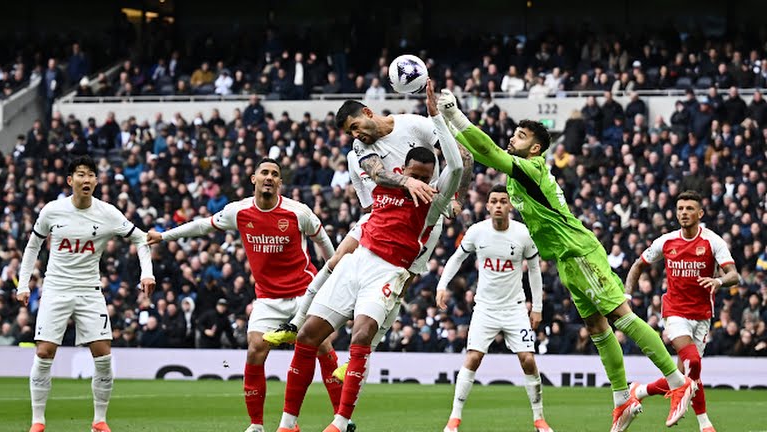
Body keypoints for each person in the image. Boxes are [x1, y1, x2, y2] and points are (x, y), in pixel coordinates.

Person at [436, 89, 696, 432]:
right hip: (565, 259)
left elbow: (487, 151)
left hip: (578, 250)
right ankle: (622, 399)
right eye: (514, 132)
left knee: (620, 316)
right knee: (597, 328)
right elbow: (478, 152)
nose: (513, 138)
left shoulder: (528, 168)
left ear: (535, 149)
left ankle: (678, 381)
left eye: (521, 135)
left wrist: (455, 115)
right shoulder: (519, 177)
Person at [275, 81, 463, 432]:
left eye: (426, 176)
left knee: (360, 336)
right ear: (403, 169)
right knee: (307, 336)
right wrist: (405, 182)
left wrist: (437, 116)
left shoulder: (435, 200)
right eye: (415, 174)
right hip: (358, 260)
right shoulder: (381, 172)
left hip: (388, 271)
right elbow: (377, 171)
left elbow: (455, 163)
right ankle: (288, 424)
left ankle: (341, 421)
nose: (421, 180)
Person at [263, 92, 473, 349]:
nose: (355, 135)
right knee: (337, 258)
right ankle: (295, 323)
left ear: (367, 112)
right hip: (383, 214)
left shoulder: (414, 125)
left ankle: (364, 352)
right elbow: (377, 175)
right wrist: (403, 187)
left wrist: (458, 199)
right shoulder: (361, 147)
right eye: (349, 132)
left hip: (424, 219)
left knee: (400, 288)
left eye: (355, 127)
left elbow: (463, 157)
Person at [147, 158, 338, 432]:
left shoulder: (298, 212)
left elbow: (322, 240)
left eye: (275, 174)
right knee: (254, 351)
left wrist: (334, 273)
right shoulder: (239, 212)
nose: (269, 177)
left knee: (322, 347)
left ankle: (341, 419)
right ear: (254, 178)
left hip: (302, 293)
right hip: (267, 299)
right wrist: (164, 236)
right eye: (265, 173)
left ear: (280, 182)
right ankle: (256, 425)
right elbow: (202, 226)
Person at [16, 155, 156, 432]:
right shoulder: (52, 211)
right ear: (70, 181)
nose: (87, 179)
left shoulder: (108, 213)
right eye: (81, 174)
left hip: (90, 290)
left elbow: (142, 238)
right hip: (56, 288)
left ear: (96, 180)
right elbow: (33, 247)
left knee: (103, 354)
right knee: (44, 352)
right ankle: (38, 421)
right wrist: (23, 284)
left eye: (91, 174)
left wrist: (147, 272)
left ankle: (99, 420)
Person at [436, 184, 554, 432]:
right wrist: (441, 285)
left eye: (503, 201)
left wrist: (537, 307)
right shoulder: (477, 232)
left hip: (515, 308)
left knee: (528, 360)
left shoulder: (523, 234)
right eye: (494, 201)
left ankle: (539, 419)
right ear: (487, 205)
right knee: (473, 358)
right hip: (485, 309)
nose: (499, 205)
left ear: (510, 205)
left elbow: (534, 271)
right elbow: (457, 258)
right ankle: (454, 419)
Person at [625, 190, 738, 432]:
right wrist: (626, 295)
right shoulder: (666, 241)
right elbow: (637, 266)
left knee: (684, 374)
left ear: (700, 213)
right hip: (675, 312)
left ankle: (640, 390)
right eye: (680, 209)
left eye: (689, 209)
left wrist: (719, 281)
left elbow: (734, 275)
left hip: (702, 316)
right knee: (693, 364)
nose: (684, 213)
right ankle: (705, 424)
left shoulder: (712, 241)